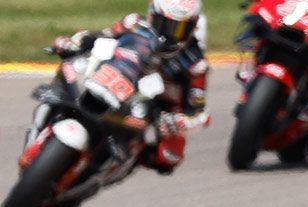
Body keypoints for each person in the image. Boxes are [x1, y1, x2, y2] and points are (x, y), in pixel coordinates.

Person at [51, 0, 209, 174]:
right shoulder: (133, 23)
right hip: (115, 78)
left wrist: (178, 121)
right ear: (152, 15)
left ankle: (126, 162)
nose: (169, 34)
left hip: (154, 106)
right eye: (164, 24)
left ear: (193, 26)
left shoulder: (196, 63)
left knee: (169, 157)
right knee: (69, 69)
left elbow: (199, 112)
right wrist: (74, 42)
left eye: (179, 28)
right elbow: (102, 36)